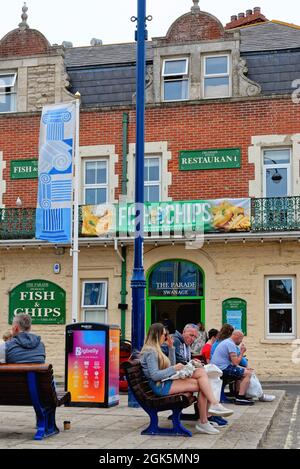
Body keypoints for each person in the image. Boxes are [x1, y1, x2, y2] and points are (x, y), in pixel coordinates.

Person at [140, 322, 234, 435]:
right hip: (160, 386)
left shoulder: (156, 350)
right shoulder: (151, 352)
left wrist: (171, 348)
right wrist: (174, 368)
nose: (166, 337)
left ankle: (208, 414)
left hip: (165, 382)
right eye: (164, 335)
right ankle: (207, 416)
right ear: (157, 335)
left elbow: (170, 365)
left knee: (202, 379)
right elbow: (155, 375)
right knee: (202, 383)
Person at [210, 330, 254, 405]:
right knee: (248, 374)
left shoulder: (226, 342)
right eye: (241, 339)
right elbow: (235, 362)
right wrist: (242, 352)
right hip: (222, 369)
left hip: (218, 368)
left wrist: (244, 368)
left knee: (244, 372)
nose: (241, 342)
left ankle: (238, 394)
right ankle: (240, 398)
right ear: (236, 336)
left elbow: (234, 364)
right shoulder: (230, 344)